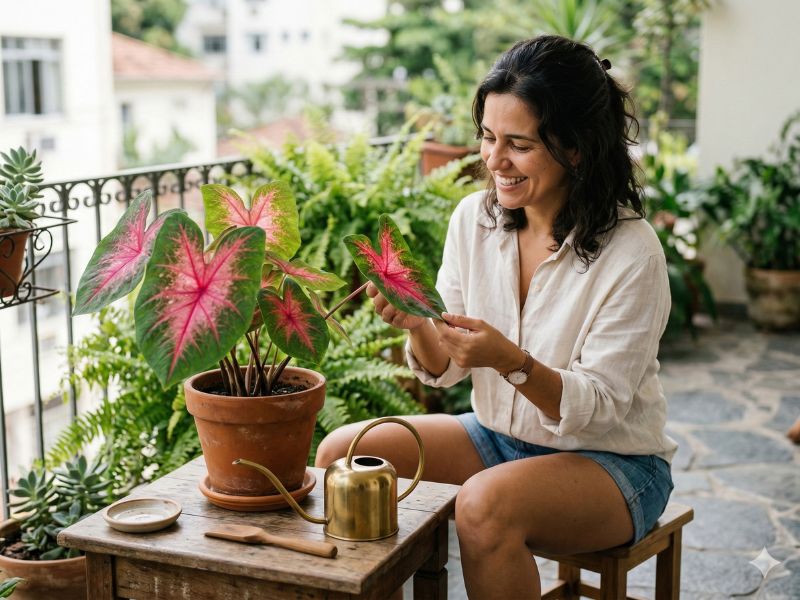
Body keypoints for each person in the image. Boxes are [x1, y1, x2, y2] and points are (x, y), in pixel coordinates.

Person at [315, 35, 676, 599]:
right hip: (498, 439)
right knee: (344, 455)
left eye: (519, 144)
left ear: (575, 148)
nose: (493, 160)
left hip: (613, 464)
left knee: (483, 505)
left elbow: (600, 409)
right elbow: (447, 368)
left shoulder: (633, 253)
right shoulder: (473, 220)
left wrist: (509, 361)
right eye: (487, 136)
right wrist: (418, 326)